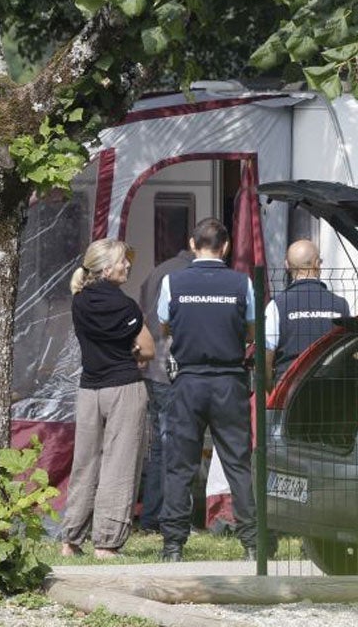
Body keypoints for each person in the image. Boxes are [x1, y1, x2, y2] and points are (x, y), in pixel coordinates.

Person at [156, 218, 257, 562]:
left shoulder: (173, 281)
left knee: (179, 466)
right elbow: (250, 331)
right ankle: (252, 543)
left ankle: (173, 546)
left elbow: (165, 324)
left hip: (188, 382)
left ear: (192, 243)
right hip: (229, 381)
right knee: (238, 464)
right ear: (225, 247)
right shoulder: (242, 282)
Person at [61, 238, 155, 559]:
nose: (128, 265)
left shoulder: (78, 302)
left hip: (88, 390)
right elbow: (148, 348)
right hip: (123, 387)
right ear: (106, 268)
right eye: (122, 261)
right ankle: (107, 542)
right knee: (120, 463)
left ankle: (70, 538)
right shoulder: (126, 306)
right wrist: (131, 349)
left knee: (84, 462)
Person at [136, 248, 195, 533]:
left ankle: (152, 516)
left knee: (159, 447)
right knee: (176, 446)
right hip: (174, 369)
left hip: (153, 369)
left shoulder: (159, 270)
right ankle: (172, 516)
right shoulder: (191, 275)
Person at [265, 239, 350, 386]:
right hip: (334, 389)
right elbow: (352, 350)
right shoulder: (340, 305)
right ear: (317, 263)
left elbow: (265, 357)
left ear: (286, 265)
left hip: (289, 390)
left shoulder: (276, 306)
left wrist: (271, 391)